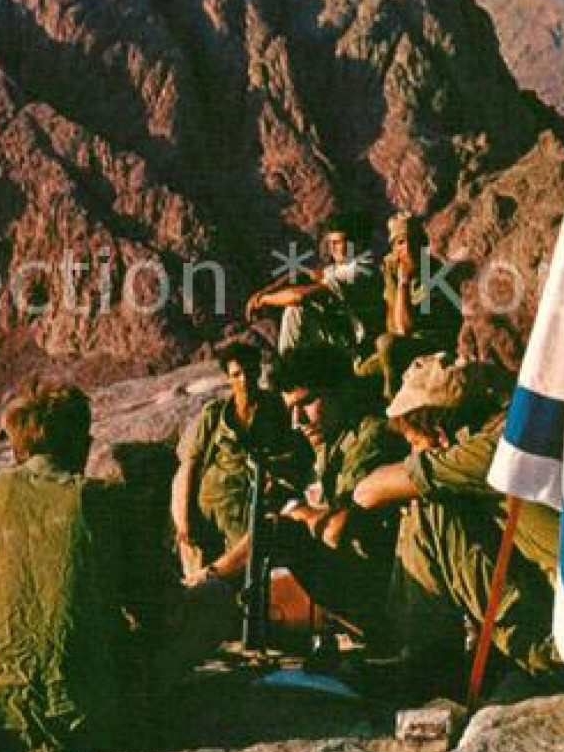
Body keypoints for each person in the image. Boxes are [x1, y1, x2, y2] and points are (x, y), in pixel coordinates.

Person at [0, 381, 238, 752]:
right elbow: (164, 611)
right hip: (89, 723)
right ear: (82, 445)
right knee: (214, 599)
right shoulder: (106, 500)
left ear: (17, 448)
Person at [352, 355, 560, 688]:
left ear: (439, 433)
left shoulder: (491, 453)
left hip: (563, 645)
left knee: (430, 507)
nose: (413, 452)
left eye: (413, 442)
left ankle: (424, 664)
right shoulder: (517, 428)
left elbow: (367, 491)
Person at [199, 345, 405, 644]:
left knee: (278, 532)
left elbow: (338, 529)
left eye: (306, 403)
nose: (298, 422)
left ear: (341, 391)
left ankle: (203, 584)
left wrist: (295, 508)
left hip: (381, 593)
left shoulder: (369, 437)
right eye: (291, 410)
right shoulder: (331, 442)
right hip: (358, 584)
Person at [171, 342, 300, 578]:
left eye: (250, 372)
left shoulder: (275, 408)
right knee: (204, 584)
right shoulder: (215, 415)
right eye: (236, 375)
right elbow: (191, 464)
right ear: (228, 378)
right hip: (210, 512)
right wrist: (184, 520)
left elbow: (290, 455)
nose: (244, 380)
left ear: (258, 372)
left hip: (250, 509)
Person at [356, 213, 464, 400]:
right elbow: (392, 320)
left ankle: (394, 402)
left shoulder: (433, 272)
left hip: (432, 343)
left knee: (386, 344)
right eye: (401, 242)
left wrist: (403, 283)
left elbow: (404, 328)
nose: (408, 248)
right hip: (405, 342)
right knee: (361, 372)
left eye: (414, 241)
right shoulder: (391, 267)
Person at [245, 213, 383, 356]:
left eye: (337, 243)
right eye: (330, 243)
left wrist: (264, 300)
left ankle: (287, 367)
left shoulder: (358, 271)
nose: (331, 248)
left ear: (355, 243)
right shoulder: (345, 266)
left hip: (359, 344)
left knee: (295, 310)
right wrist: (267, 290)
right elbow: (308, 274)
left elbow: (299, 296)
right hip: (346, 335)